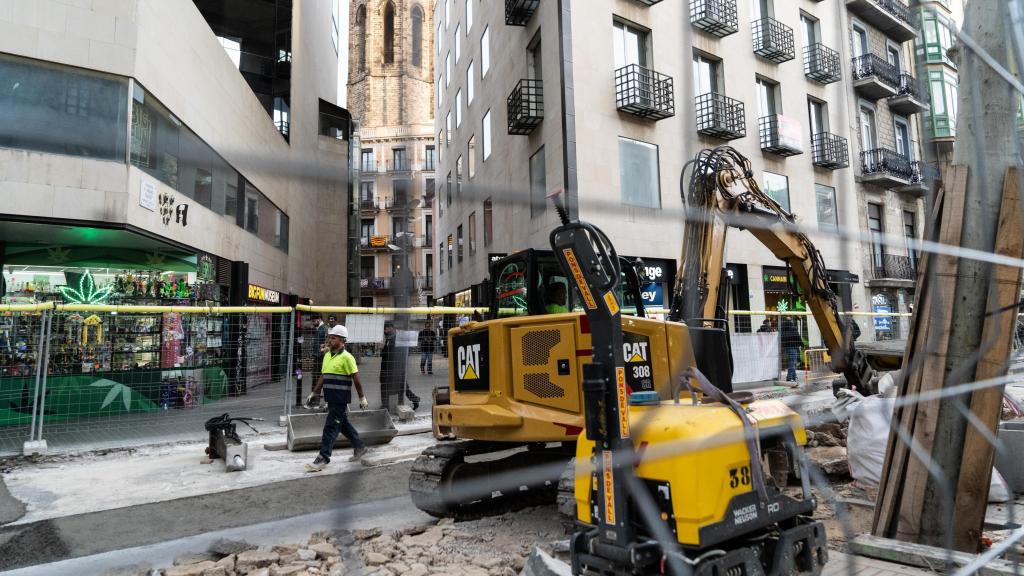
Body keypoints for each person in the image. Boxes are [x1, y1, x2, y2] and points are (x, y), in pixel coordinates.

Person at [304, 324, 368, 472]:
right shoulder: (327, 356)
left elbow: (356, 379)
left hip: (340, 399)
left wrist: (362, 398)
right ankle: (360, 447)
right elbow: (324, 376)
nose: (330, 340)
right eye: (330, 337)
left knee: (330, 427)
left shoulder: (347, 358)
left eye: (333, 338)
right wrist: (314, 393)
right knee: (343, 424)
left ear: (342, 340)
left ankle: (323, 457)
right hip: (330, 398)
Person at [381, 321, 420, 411]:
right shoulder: (389, 338)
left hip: (396, 367)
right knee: (386, 386)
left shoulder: (396, 338)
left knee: (402, 387)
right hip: (388, 367)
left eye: (385, 329)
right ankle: (386, 405)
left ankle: (413, 400)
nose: (384, 331)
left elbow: (400, 353)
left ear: (390, 328)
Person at [781, 318, 803, 383]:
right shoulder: (793, 329)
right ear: (791, 321)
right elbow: (797, 337)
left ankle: (793, 376)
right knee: (793, 362)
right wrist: (802, 344)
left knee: (792, 362)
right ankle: (789, 377)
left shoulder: (783, 329)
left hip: (786, 347)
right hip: (793, 347)